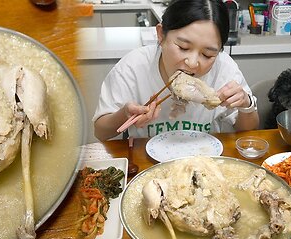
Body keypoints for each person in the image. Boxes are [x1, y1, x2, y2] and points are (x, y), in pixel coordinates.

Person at [93, 0, 259, 142]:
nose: (193, 63)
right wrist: (125, 114)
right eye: (183, 47)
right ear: (161, 34)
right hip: (147, 163)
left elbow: (248, 131)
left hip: (205, 162)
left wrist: (246, 104)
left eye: (207, 54)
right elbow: (100, 132)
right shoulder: (133, 67)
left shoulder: (225, 68)